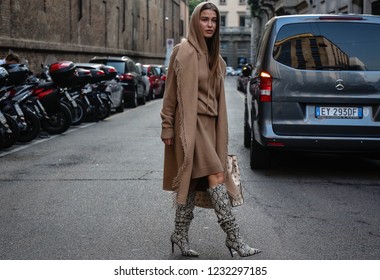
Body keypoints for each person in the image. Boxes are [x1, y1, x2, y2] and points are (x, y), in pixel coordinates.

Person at [160, 2, 261, 258]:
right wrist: (167, 127)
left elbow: (217, 99)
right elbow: (170, 93)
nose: (209, 24)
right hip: (190, 127)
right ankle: (235, 239)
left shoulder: (216, 57)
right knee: (217, 174)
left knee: (193, 182)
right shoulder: (183, 51)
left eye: (213, 20)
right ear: (196, 21)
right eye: (204, 19)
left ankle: (179, 235)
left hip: (210, 126)